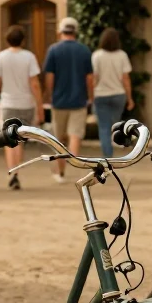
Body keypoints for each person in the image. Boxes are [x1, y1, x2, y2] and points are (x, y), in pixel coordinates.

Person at [0, 24, 42, 189]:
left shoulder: (1, 57)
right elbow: (35, 84)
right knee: (20, 139)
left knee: (8, 139)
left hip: (7, 103)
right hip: (26, 103)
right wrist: (39, 107)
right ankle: (18, 170)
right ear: (23, 40)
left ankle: (13, 172)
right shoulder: (29, 57)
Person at [42, 16, 94, 182]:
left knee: (59, 137)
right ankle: (75, 166)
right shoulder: (84, 50)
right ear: (75, 32)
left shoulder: (53, 50)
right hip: (79, 100)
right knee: (75, 135)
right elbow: (90, 78)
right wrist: (90, 96)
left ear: (60, 32)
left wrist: (49, 94)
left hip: (59, 100)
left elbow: (49, 76)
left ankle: (60, 172)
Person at [90, 28, 134, 157]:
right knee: (115, 125)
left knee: (103, 128)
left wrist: (91, 96)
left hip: (101, 95)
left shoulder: (96, 55)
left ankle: (108, 157)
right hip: (118, 95)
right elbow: (125, 78)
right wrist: (130, 98)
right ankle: (121, 143)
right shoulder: (122, 55)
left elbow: (95, 78)